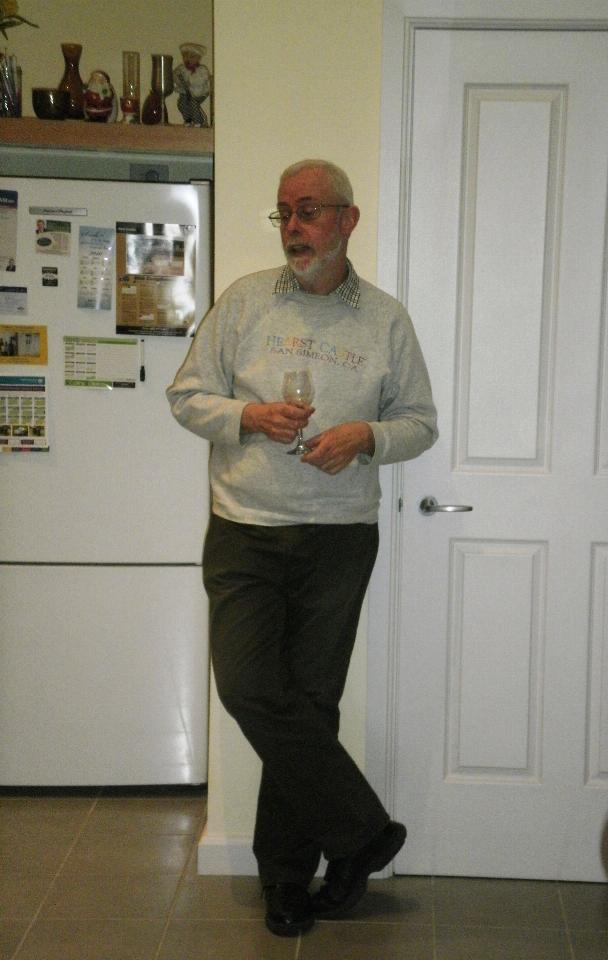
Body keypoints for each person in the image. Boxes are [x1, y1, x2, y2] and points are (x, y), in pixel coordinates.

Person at [167, 159, 438, 938]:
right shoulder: (247, 300)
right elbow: (186, 395)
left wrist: (366, 437)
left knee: (310, 708)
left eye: (309, 210)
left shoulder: (385, 318)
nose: (293, 226)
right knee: (251, 689)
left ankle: (288, 880)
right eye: (284, 211)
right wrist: (248, 419)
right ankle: (362, 833)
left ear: (347, 221)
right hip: (245, 530)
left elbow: (420, 422)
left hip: (339, 540)